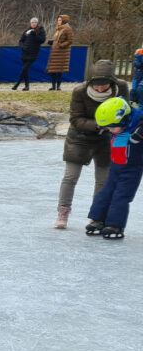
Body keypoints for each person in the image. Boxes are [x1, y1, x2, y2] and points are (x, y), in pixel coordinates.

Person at [53, 59, 128, 229]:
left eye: (104, 86)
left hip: (107, 140)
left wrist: (119, 126)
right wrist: (100, 125)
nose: (100, 89)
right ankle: (63, 212)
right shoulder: (79, 91)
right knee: (70, 177)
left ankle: (97, 216)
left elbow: (125, 111)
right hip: (80, 137)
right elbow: (75, 119)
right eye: (96, 86)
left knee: (103, 180)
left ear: (112, 82)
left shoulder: (121, 87)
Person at [86, 96, 143, 239]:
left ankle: (115, 225)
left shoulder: (138, 127)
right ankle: (98, 220)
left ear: (124, 119)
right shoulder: (119, 126)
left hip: (132, 169)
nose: (110, 130)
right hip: (115, 167)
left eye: (112, 127)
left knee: (121, 196)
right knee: (105, 193)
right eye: (108, 128)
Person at [12, 17, 46, 91]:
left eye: (35, 22)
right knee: (25, 70)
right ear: (30, 23)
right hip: (25, 52)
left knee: (25, 68)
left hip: (33, 53)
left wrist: (35, 35)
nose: (33, 24)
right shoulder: (27, 31)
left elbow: (42, 40)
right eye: (32, 22)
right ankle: (27, 86)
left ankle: (17, 84)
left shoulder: (40, 30)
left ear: (37, 23)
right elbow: (21, 41)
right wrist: (22, 46)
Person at [46, 14, 73, 91]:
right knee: (53, 70)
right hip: (54, 52)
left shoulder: (68, 29)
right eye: (58, 20)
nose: (58, 21)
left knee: (59, 70)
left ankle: (58, 86)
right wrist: (52, 42)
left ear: (64, 21)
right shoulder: (58, 29)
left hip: (62, 53)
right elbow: (57, 39)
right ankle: (53, 86)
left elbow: (70, 40)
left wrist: (61, 45)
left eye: (60, 20)